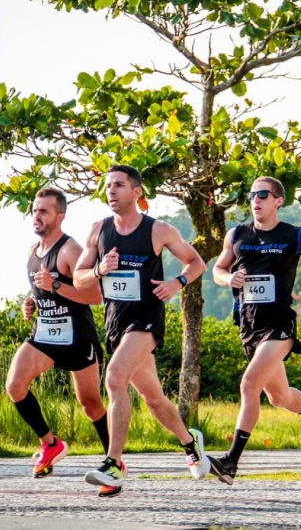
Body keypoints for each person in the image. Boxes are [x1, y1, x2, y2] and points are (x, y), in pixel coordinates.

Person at [73, 164, 211, 492]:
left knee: (114, 378)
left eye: (119, 185)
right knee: (154, 399)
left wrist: (176, 283)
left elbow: (197, 262)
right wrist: (99, 270)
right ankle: (190, 442)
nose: (111, 190)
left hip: (146, 320)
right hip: (116, 324)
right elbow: (78, 278)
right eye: (108, 185)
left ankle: (114, 464)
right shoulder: (98, 230)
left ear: (136, 192)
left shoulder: (157, 230)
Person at [209, 176, 301, 485]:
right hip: (249, 325)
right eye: (252, 194)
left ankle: (230, 462)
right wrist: (228, 279)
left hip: (279, 325)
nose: (255, 199)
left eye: (263, 194)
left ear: (278, 200)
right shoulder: (237, 235)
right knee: (278, 397)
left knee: (249, 384)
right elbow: (217, 269)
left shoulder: (295, 236)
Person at [4, 187, 121, 497]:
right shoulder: (33, 250)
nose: (36, 216)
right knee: (15, 385)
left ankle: (114, 464)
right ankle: (50, 444)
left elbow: (96, 296)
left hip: (76, 336)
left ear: (59, 216)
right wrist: (32, 303)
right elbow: (39, 289)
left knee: (90, 404)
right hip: (45, 334)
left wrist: (55, 285)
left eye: (43, 211)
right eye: (35, 210)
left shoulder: (70, 250)